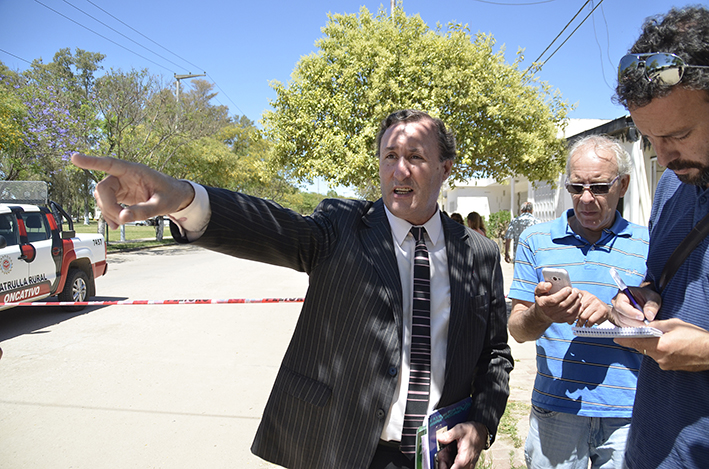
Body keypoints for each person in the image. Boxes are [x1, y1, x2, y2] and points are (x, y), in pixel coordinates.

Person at [72, 109, 513, 469]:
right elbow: (271, 226)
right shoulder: (342, 227)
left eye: (415, 156)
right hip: (346, 452)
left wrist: (482, 423)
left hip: (439, 454)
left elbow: (495, 356)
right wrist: (183, 198)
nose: (399, 168)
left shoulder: (479, 254)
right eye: (389, 155)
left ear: (445, 168)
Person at [507, 135, 649, 468]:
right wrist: (542, 313)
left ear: (623, 185)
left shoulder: (649, 244)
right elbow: (518, 330)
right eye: (576, 187)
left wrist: (614, 313)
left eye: (599, 188)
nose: (585, 199)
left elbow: (662, 329)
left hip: (628, 413)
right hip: (556, 409)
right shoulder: (536, 240)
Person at [610, 6, 709, 468]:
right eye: (651, 139)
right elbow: (661, 285)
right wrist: (639, 301)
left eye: (680, 135)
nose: (664, 157)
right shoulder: (672, 185)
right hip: (651, 450)